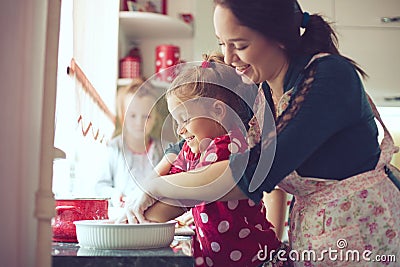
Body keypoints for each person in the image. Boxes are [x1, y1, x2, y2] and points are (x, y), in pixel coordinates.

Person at [121, 0, 400, 266]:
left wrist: (154, 187)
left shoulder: (329, 78)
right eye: (222, 44)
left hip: (365, 235)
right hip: (318, 237)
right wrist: (140, 208)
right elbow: (189, 146)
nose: (229, 59)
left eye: (240, 45)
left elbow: (251, 173)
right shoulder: (262, 88)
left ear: (278, 36)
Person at [140, 53, 290, 267]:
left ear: (218, 111)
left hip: (255, 260)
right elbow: (174, 187)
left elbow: (183, 189)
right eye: (176, 122)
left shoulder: (231, 146)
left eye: (185, 119)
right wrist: (140, 211)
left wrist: (151, 195)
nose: (180, 130)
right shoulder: (194, 151)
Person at [95, 78, 164, 207]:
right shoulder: (114, 148)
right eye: (132, 116)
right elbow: (100, 186)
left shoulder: (164, 150)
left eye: (147, 116)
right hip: (121, 217)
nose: (139, 123)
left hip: (154, 219)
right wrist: (114, 195)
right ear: (123, 116)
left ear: (155, 118)